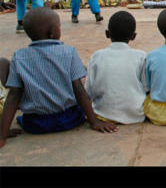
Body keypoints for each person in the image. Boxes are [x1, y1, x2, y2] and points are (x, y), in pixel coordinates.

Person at [0, 8, 117, 148]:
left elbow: (13, 96)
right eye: (59, 26)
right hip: (69, 119)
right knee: (80, 74)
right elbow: (79, 89)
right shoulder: (69, 52)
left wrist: (2, 135)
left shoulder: (19, 56)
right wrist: (94, 121)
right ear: (53, 32)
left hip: (35, 124)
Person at [85, 11, 147, 124]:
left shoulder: (97, 56)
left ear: (107, 34)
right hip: (135, 115)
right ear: (134, 36)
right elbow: (146, 87)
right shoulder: (141, 56)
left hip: (103, 113)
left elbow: (89, 91)